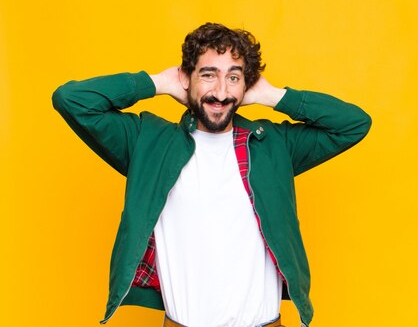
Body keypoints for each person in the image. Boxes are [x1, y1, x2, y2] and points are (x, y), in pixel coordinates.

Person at [52, 22, 371, 327]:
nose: (221, 91)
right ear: (186, 78)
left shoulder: (273, 146)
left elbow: (353, 124)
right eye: (208, 74)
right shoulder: (148, 143)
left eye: (234, 77)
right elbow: (72, 101)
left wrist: (271, 95)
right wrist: (157, 83)